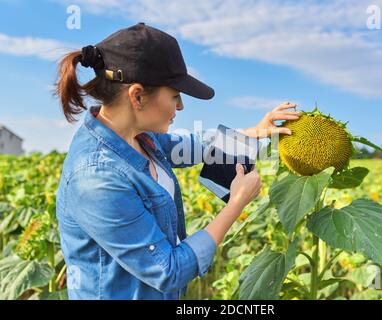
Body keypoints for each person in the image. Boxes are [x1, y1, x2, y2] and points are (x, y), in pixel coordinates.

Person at [54, 22, 299, 300]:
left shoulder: (138, 136)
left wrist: (255, 132)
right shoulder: (97, 177)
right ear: (136, 96)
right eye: (174, 95)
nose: (181, 106)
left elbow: (195, 145)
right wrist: (236, 204)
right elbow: (168, 271)